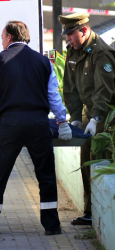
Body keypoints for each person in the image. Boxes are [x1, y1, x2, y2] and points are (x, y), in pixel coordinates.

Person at [0, 20, 72, 235]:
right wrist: (62, 122)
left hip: (10, 124)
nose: (1, 41)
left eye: (2, 37)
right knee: (46, 176)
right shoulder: (43, 62)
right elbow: (53, 96)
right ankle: (52, 226)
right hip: (39, 124)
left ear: (10, 37)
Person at [58, 12, 115, 226]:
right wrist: (74, 117)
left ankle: (98, 213)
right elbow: (70, 89)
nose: (68, 39)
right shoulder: (74, 51)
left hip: (105, 117)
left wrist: (96, 118)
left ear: (84, 30)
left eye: (71, 34)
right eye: (67, 34)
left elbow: (104, 92)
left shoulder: (101, 54)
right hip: (86, 115)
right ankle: (90, 211)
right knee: (85, 163)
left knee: (99, 160)